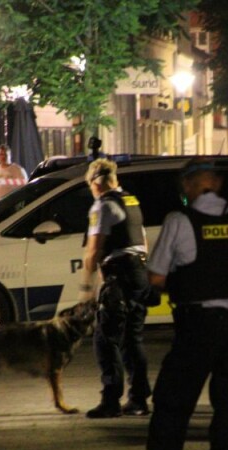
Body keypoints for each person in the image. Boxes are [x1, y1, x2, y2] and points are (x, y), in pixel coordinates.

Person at [110, 158, 228, 450]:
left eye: (185, 185)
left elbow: (156, 277)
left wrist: (186, 284)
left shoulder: (180, 221)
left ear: (193, 186)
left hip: (198, 326)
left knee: (172, 405)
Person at [78, 158, 153, 419]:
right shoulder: (131, 201)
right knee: (132, 338)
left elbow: (94, 248)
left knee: (105, 338)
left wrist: (86, 287)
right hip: (139, 272)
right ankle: (139, 399)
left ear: (95, 183)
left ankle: (110, 400)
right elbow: (143, 240)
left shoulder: (102, 205)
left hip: (120, 274)